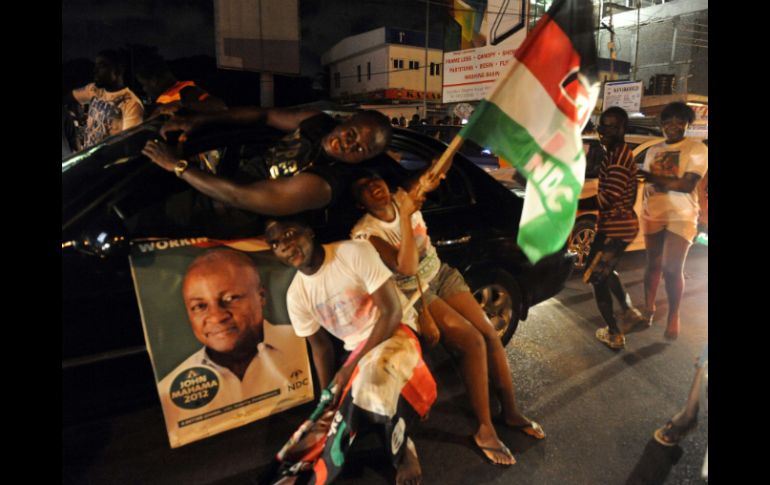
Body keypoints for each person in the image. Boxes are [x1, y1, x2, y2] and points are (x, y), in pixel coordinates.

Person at [350, 172, 545, 466]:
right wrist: (424, 314)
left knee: (490, 334)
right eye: (362, 188)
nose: (371, 185)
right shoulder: (366, 232)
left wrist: (440, 169)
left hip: (441, 275)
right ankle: (484, 429)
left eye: (374, 180)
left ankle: (511, 411)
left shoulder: (405, 198)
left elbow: (436, 171)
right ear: (359, 203)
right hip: (414, 293)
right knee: (472, 342)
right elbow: (405, 266)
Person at [266, 219, 436, 485]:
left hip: (396, 330)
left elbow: (391, 313)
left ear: (309, 231)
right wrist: (328, 398)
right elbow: (320, 348)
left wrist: (348, 368)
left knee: (372, 383)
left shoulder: (353, 252)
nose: (285, 246)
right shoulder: (296, 295)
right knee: (342, 412)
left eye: (289, 234)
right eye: (275, 243)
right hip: (359, 352)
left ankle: (404, 452)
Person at [157, 248, 309, 447]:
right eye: (200, 306)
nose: (217, 317)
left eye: (230, 298)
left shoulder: (304, 345)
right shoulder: (169, 392)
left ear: (261, 296)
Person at [141, 108, 395, 217]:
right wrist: (203, 120)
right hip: (213, 184)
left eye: (359, 149)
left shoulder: (327, 182)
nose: (348, 145)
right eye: (350, 134)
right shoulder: (317, 122)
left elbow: (242, 196)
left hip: (229, 216)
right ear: (345, 121)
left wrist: (178, 166)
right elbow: (265, 115)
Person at [638, 102, 708, 340]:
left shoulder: (697, 149)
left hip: (682, 215)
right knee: (652, 265)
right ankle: (648, 308)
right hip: (653, 212)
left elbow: (687, 184)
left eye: (680, 121)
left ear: (688, 124)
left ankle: (673, 315)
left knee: (671, 268)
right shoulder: (652, 151)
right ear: (662, 124)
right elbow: (648, 186)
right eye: (668, 121)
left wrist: (652, 178)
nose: (673, 126)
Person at [584, 107, 647, 350]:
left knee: (596, 276)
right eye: (602, 126)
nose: (604, 131)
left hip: (615, 229)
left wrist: (574, 206)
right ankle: (629, 312)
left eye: (611, 126)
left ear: (623, 128)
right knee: (606, 272)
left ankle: (614, 332)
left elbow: (609, 197)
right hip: (618, 226)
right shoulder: (614, 153)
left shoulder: (619, 157)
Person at [70, 49, 144, 150]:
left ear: (119, 70)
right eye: (95, 66)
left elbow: (127, 145)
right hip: (87, 158)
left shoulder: (131, 104)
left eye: (102, 66)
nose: (95, 71)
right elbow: (69, 97)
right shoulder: (94, 90)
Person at [134, 54, 226, 118]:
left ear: (154, 81)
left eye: (144, 84)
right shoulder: (162, 101)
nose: (144, 89)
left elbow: (219, 106)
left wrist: (179, 105)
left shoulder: (187, 91)